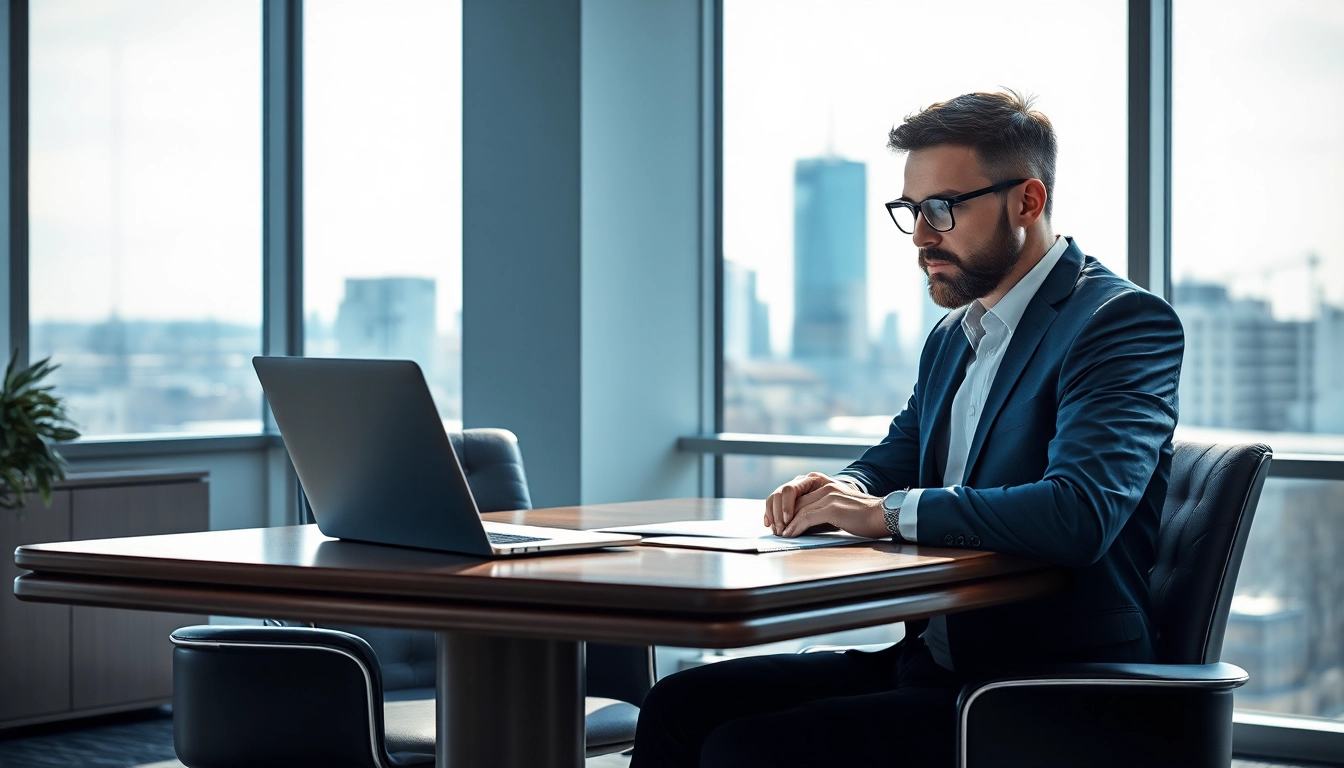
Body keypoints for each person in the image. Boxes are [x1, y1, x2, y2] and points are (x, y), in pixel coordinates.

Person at [630, 90, 1184, 767]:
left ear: (1027, 202)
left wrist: (885, 514)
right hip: (931, 664)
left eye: (943, 209)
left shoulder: (1118, 324)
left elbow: (1080, 512)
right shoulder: (955, 335)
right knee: (678, 705)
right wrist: (836, 488)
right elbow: (898, 455)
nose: (922, 235)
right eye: (911, 211)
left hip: (1045, 692)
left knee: (747, 750)